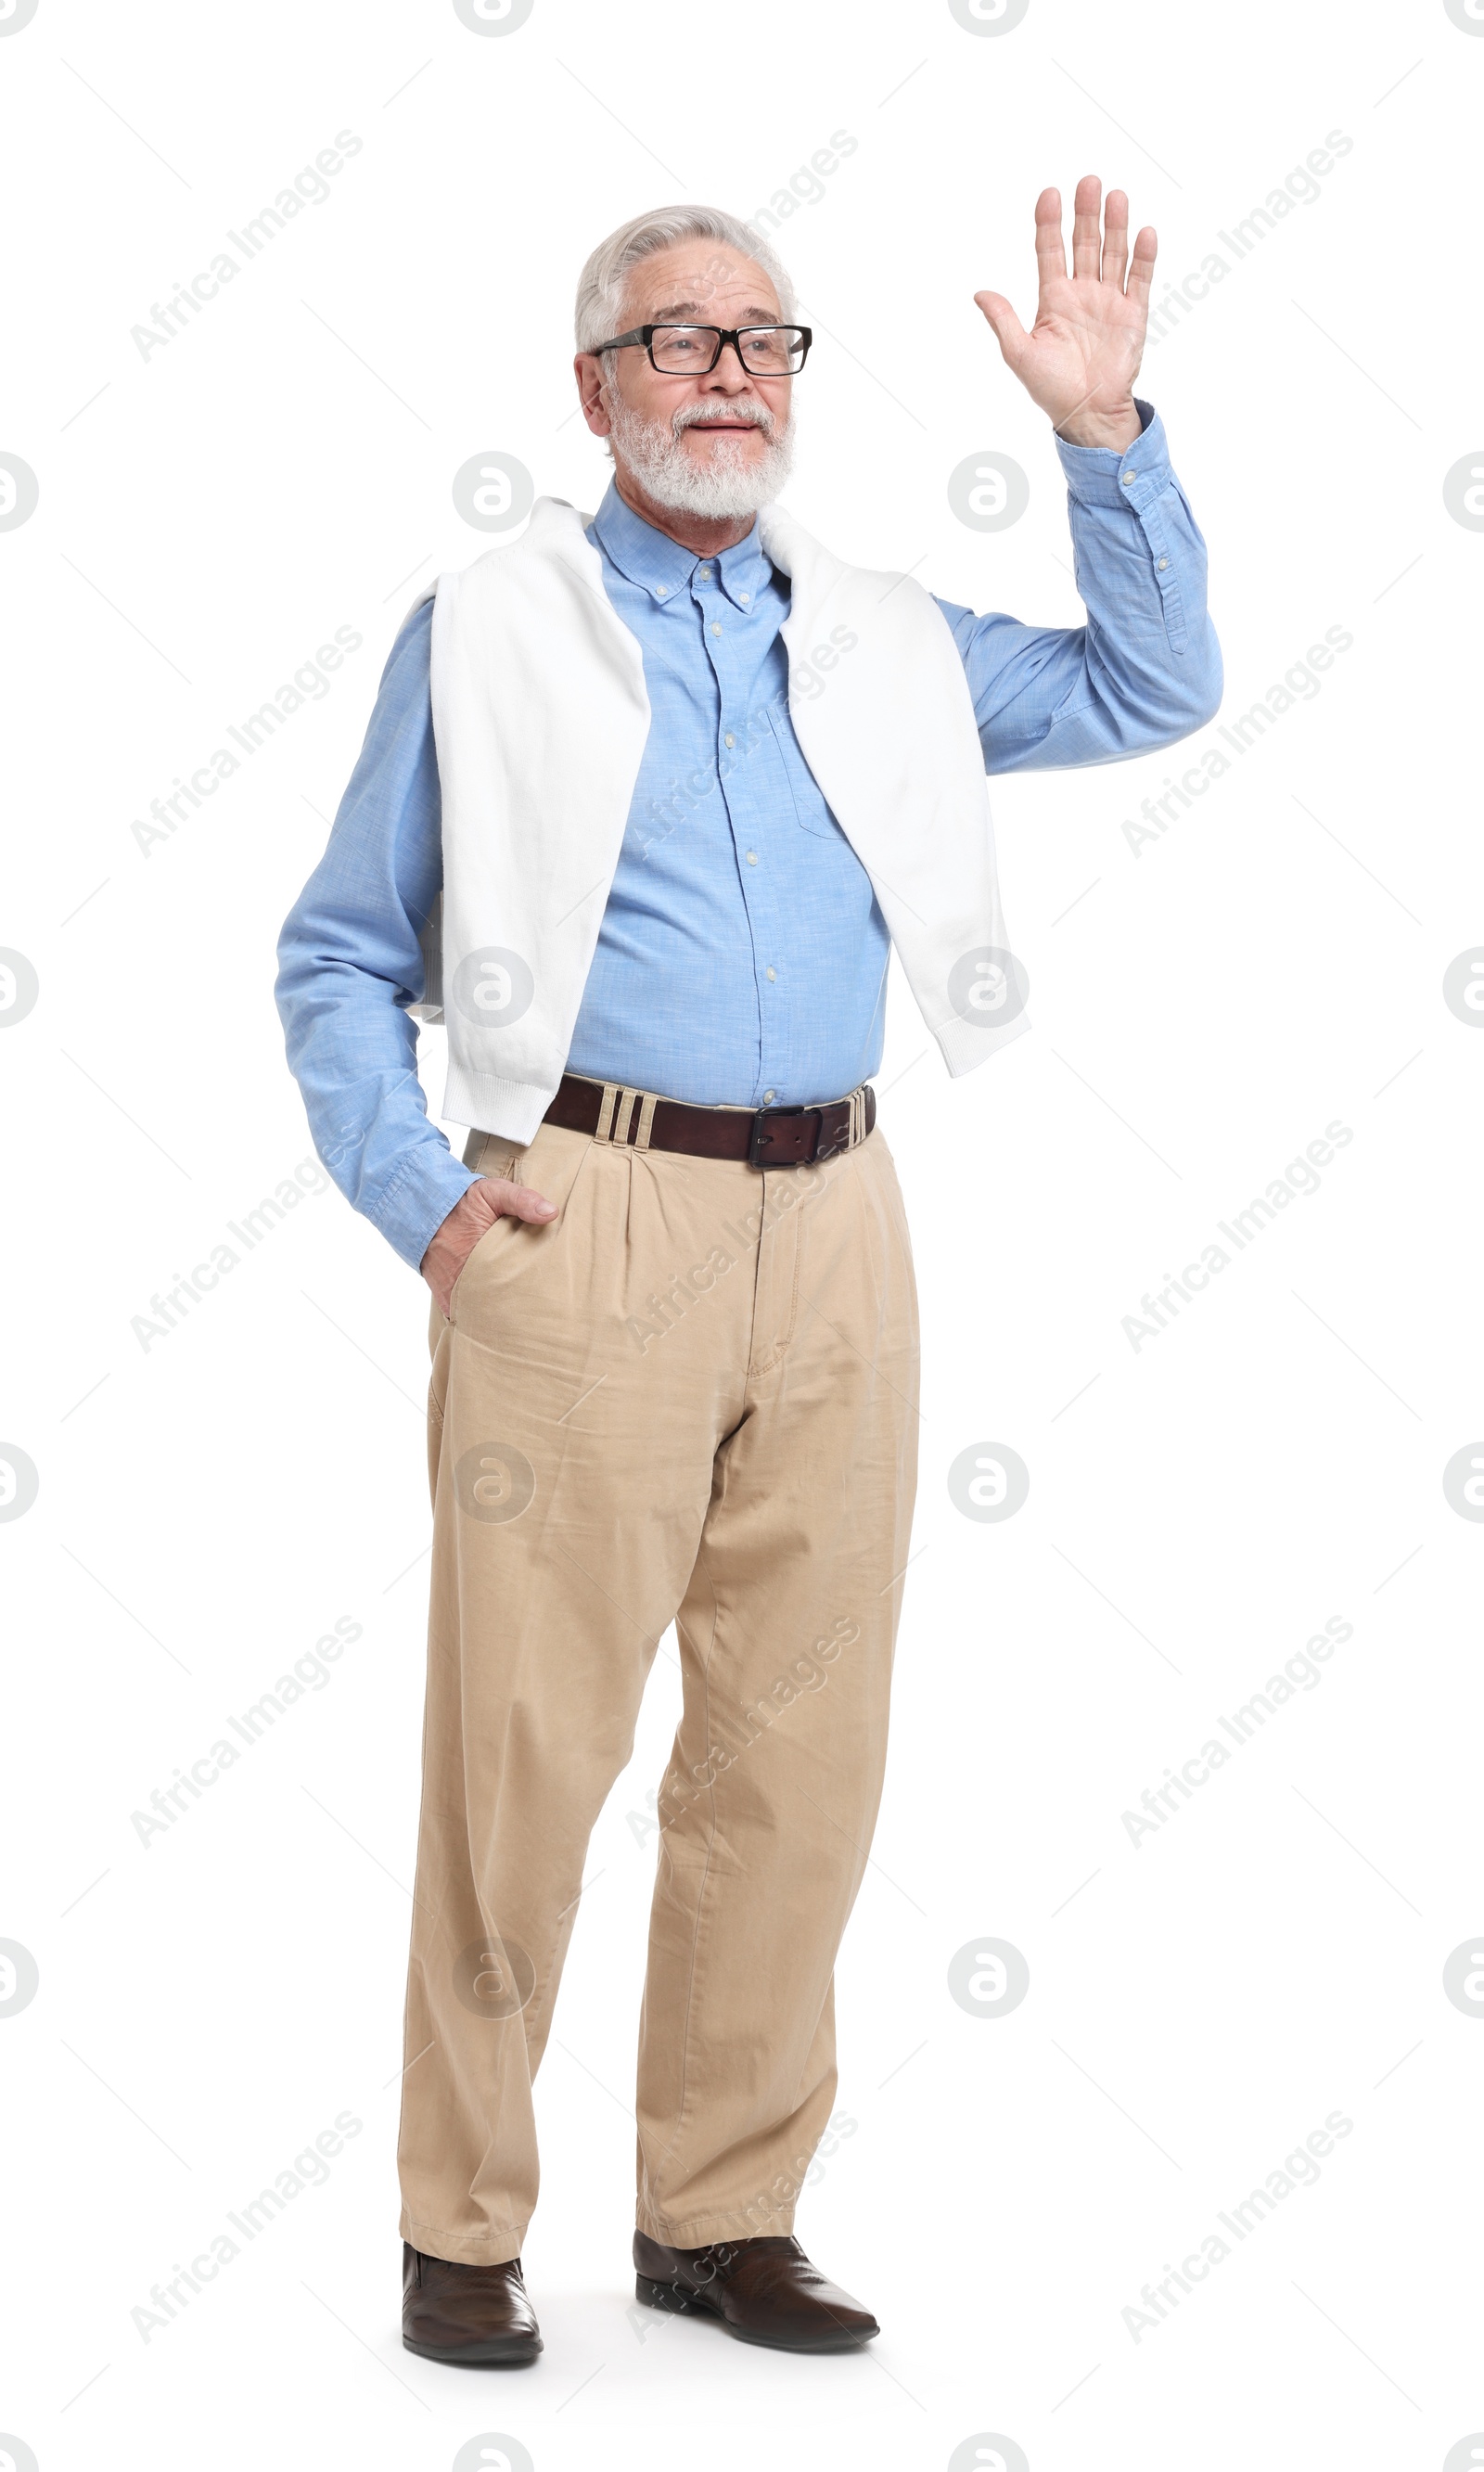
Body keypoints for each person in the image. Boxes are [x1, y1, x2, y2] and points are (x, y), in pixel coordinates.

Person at [275, 182, 1221, 2365]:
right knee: (522, 1744)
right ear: (595, 390)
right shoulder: (486, 627)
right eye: (680, 338)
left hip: (842, 1225)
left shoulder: (883, 632)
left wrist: (1103, 440)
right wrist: (419, 1189)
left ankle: (717, 2206)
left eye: (765, 339)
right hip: (579, 1218)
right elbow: (336, 950)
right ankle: (461, 2217)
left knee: (800, 1745)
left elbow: (1153, 680)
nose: (728, 370)